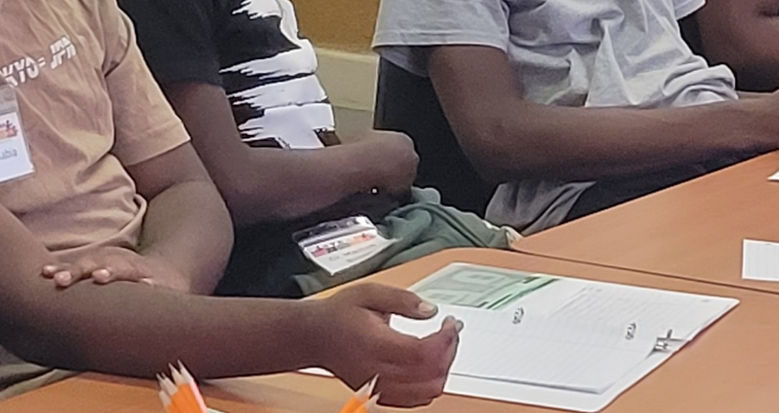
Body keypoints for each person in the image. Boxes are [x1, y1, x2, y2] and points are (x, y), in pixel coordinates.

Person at [0, 0, 459, 403]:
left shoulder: (78, 7)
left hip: (174, 343)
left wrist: (167, 271)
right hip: (19, 386)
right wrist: (313, 334)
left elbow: (186, 186)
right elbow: (30, 310)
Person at [374, 0, 779, 234]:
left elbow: (676, 82)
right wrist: (764, 119)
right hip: (592, 193)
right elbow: (498, 138)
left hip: (706, 153)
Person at [120, 0, 515, 298]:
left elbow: (298, 132)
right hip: (286, 261)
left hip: (368, 227)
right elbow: (233, 187)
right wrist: (376, 159)